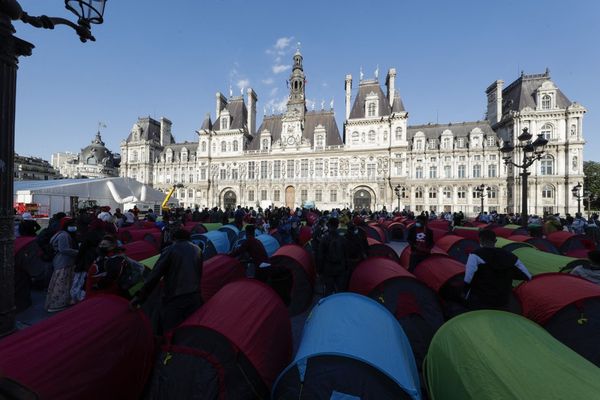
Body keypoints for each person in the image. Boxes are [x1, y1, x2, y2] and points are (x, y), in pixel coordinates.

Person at [130, 228, 203, 334]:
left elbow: (155, 274)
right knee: (187, 331)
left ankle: (167, 349)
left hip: (175, 298)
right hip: (195, 297)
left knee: (170, 332)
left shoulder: (171, 249)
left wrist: (140, 296)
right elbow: (199, 273)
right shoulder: (198, 249)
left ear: (174, 239)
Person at [464, 230, 531, 310]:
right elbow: (527, 276)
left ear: (480, 240)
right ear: (495, 241)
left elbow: (468, 279)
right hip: (503, 300)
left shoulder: (475, 255)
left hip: (481, 300)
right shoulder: (509, 255)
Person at [45, 217, 79, 312]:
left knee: (60, 283)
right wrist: (77, 252)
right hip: (63, 262)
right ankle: (58, 304)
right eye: (71, 225)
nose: (74, 227)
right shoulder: (64, 235)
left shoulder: (61, 234)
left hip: (61, 261)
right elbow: (63, 249)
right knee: (61, 284)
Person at [317, 218, 347, 295]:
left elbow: (320, 256)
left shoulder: (324, 239)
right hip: (340, 268)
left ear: (329, 226)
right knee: (340, 292)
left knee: (328, 291)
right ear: (337, 226)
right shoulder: (342, 239)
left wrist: (319, 270)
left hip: (328, 268)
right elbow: (346, 255)